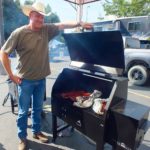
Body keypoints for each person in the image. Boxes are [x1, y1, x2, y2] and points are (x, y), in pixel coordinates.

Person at [0, 1, 93, 150]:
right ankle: (22, 138)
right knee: (23, 112)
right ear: (30, 15)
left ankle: (37, 132)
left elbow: (62, 25)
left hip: (41, 80)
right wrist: (11, 75)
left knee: (38, 109)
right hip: (25, 81)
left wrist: (79, 23)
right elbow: (3, 53)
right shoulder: (19, 33)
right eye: (37, 16)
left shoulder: (46, 29)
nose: (40, 19)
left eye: (42, 17)